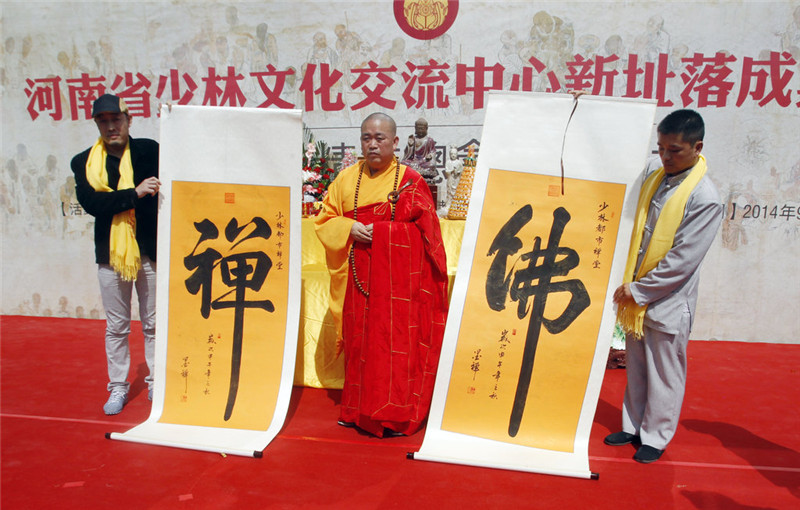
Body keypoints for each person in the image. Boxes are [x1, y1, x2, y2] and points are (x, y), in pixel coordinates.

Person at [315, 112, 449, 437]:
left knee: (394, 347)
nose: (372, 144)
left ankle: (393, 416)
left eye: (380, 138)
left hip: (398, 284)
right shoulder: (346, 179)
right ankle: (356, 410)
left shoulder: (410, 181)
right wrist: (348, 227)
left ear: (395, 142)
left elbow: (429, 234)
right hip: (358, 278)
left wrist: (387, 234)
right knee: (360, 345)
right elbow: (324, 219)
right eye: (367, 138)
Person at [605, 109, 723, 463]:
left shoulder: (704, 197)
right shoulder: (655, 176)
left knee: (664, 372)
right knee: (637, 366)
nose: (665, 157)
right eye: (660, 148)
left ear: (697, 148)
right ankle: (632, 425)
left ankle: (655, 436)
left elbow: (683, 259)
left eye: (675, 150)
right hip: (636, 296)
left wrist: (640, 290)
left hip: (667, 299)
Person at [71, 94, 160, 415]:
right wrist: (134, 193)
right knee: (117, 326)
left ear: (128, 120)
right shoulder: (84, 162)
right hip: (111, 255)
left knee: (153, 323)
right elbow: (94, 205)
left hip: (149, 251)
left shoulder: (149, 151)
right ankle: (118, 386)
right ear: (97, 124)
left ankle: (157, 381)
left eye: (116, 119)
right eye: (103, 121)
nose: (111, 127)